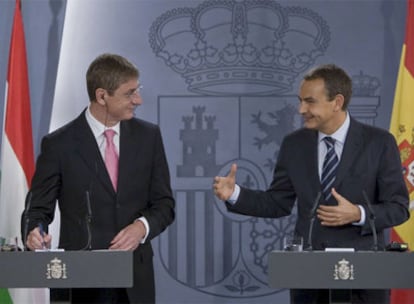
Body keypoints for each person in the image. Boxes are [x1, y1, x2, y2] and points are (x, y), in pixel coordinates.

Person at [213, 64, 409, 304]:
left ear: (337, 102)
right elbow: (277, 203)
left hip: (364, 281)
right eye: (300, 101)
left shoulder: (378, 143)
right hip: (309, 279)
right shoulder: (294, 144)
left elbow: (399, 207)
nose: (301, 109)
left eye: (310, 102)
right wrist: (235, 194)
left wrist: (358, 213)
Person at [22, 53, 175, 303]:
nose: (138, 100)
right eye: (129, 93)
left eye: (137, 91)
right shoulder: (59, 144)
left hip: (135, 280)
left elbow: (165, 205)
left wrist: (141, 227)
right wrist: (34, 233)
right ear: (102, 96)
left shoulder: (149, 137)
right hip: (80, 282)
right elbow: (37, 210)